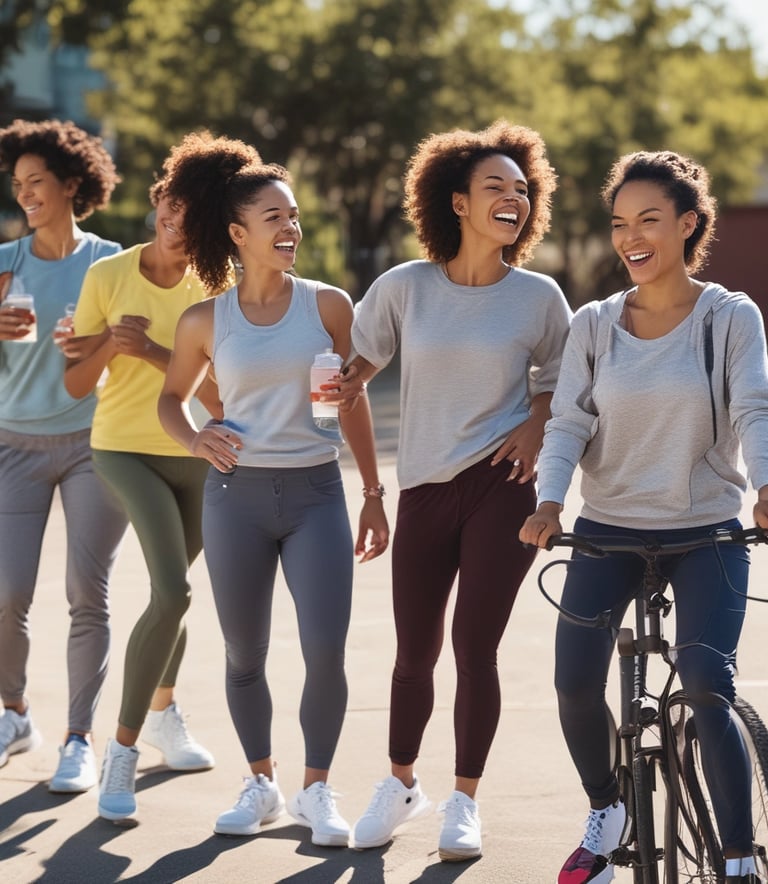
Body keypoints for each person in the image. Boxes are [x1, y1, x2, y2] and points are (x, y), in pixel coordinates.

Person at [520, 150, 768, 884]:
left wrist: (766, 486)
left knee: (704, 680)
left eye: (650, 221)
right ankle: (607, 808)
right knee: (572, 681)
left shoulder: (728, 317)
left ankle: (736, 857)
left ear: (688, 225)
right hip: (609, 530)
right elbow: (567, 423)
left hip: (707, 533)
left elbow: (756, 407)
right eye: (620, 223)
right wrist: (548, 500)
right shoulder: (594, 325)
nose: (631, 237)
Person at [331, 120, 571, 861]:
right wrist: (341, 389)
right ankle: (401, 782)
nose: (513, 198)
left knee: (475, 646)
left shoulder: (539, 298)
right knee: (414, 651)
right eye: (495, 186)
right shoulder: (405, 287)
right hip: (425, 489)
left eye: (523, 190)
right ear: (457, 202)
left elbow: (563, 387)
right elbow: (352, 370)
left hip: (503, 484)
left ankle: (464, 800)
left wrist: (535, 424)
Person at [156, 132, 390, 846]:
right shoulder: (205, 319)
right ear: (236, 233)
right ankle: (261, 783)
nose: (290, 228)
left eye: (293, 216)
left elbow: (351, 398)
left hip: (317, 494)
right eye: (274, 218)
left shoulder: (327, 305)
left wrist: (375, 493)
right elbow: (170, 400)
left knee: (325, 650)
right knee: (244, 654)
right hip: (235, 500)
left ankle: (316, 790)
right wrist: (196, 436)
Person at [60, 144, 233, 822]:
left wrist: (159, 351)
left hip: (196, 453)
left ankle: (163, 711)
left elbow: (222, 395)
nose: (178, 222)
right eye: (173, 205)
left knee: (171, 602)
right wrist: (108, 344)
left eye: (196, 217)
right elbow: (77, 381)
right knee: (174, 589)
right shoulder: (108, 274)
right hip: (121, 448)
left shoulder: (218, 288)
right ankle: (121, 754)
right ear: (159, 199)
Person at [0, 119, 128, 793]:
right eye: (17, 185)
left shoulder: (111, 263)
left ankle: (80, 738)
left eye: (37, 183)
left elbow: (136, 346)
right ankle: (15, 713)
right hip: (13, 445)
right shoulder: (4, 265)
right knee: (7, 591)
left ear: (73, 184)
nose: (25, 195)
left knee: (88, 593)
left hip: (92, 445)